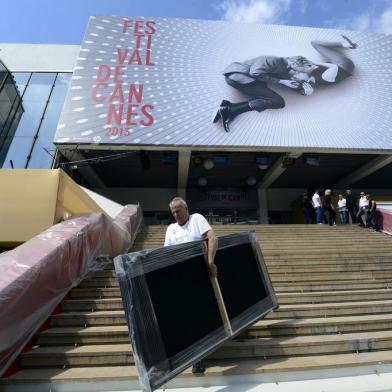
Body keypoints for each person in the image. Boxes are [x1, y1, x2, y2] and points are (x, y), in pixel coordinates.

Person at [214, 35, 357, 132]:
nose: (296, 74)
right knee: (277, 101)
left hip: (247, 79)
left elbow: (292, 82)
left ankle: (230, 108)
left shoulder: (286, 69)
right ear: (295, 64)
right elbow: (255, 73)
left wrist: (302, 89)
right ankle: (230, 109)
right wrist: (283, 81)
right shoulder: (272, 60)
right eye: (299, 70)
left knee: (274, 100)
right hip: (238, 76)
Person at [164, 197, 218, 374]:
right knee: (188, 317)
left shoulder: (197, 219)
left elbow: (212, 237)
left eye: (178, 211)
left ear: (186, 209)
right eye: (173, 212)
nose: (175, 215)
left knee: (200, 315)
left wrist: (210, 262)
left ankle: (199, 356)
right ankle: (193, 355)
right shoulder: (171, 229)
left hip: (200, 274)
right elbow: (166, 254)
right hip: (180, 278)